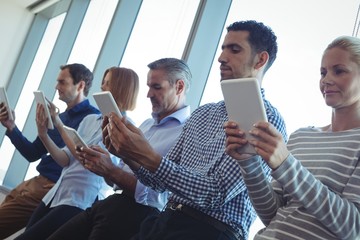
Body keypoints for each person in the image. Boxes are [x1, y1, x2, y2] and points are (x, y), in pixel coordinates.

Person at [102, 20, 287, 240]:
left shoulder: (267, 120)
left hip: (212, 230)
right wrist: (129, 154)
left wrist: (147, 155)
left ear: (261, 59)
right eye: (222, 49)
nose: (221, 58)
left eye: (234, 50)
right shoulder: (202, 114)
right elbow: (158, 183)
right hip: (166, 220)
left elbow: (215, 194)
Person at [224, 35, 360, 240]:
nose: (326, 80)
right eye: (323, 72)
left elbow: (353, 228)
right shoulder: (301, 136)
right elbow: (272, 215)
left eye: (339, 71)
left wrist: (285, 164)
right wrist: (248, 164)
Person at [47, 57, 191, 240]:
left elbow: (156, 196)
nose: (148, 94)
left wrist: (111, 169)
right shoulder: (146, 125)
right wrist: (106, 165)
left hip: (137, 215)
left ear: (179, 87)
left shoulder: (186, 133)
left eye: (157, 87)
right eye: (148, 87)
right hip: (111, 203)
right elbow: (115, 180)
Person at [15, 66, 139, 240]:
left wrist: (58, 124)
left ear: (121, 87)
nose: (102, 88)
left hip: (79, 200)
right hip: (57, 193)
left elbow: (90, 162)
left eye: (107, 83)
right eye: (102, 83)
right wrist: (43, 134)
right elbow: (65, 160)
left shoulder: (125, 129)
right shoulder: (90, 120)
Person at [0, 63, 100, 239]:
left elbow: (86, 163)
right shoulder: (58, 117)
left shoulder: (93, 119)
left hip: (52, 188)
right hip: (35, 182)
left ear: (81, 85)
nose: (56, 87)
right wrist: (11, 127)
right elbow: (32, 153)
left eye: (62, 82)